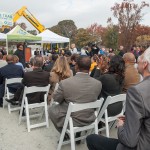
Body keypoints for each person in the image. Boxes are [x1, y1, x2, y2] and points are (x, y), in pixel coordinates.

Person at [86, 47, 150, 150]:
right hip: (118, 108)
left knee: (91, 139)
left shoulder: (136, 91)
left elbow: (130, 141)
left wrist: (120, 126)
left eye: (141, 57)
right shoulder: (122, 77)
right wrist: (131, 119)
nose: (137, 60)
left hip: (139, 144)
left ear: (145, 63)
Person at [48, 55, 102, 133]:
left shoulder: (65, 83)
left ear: (76, 66)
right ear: (89, 67)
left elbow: (57, 99)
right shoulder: (98, 84)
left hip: (73, 120)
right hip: (90, 117)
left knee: (51, 109)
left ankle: (64, 133)